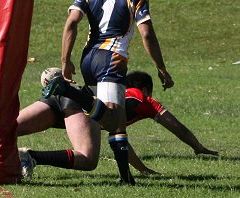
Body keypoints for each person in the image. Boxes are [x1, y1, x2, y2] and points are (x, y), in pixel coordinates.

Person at [42, 0, 174, 185]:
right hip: (111, 60)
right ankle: (68, 91)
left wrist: (65, 61)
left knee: (115, 120)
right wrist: (161, 68)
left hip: (88, 59)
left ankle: (126, 177)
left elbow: (72, 22)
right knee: (113, 122)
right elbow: (147, 33)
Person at [18, 70, 217, 180]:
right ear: (145, 89)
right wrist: (197, 147)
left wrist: (143, 168)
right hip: (77, 105)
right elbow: (176, 126)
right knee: (87, 159)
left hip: (61, 99)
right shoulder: (140, 98)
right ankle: (31, 157)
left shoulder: (114, 90)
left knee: (5, 128)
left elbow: (120, 141)